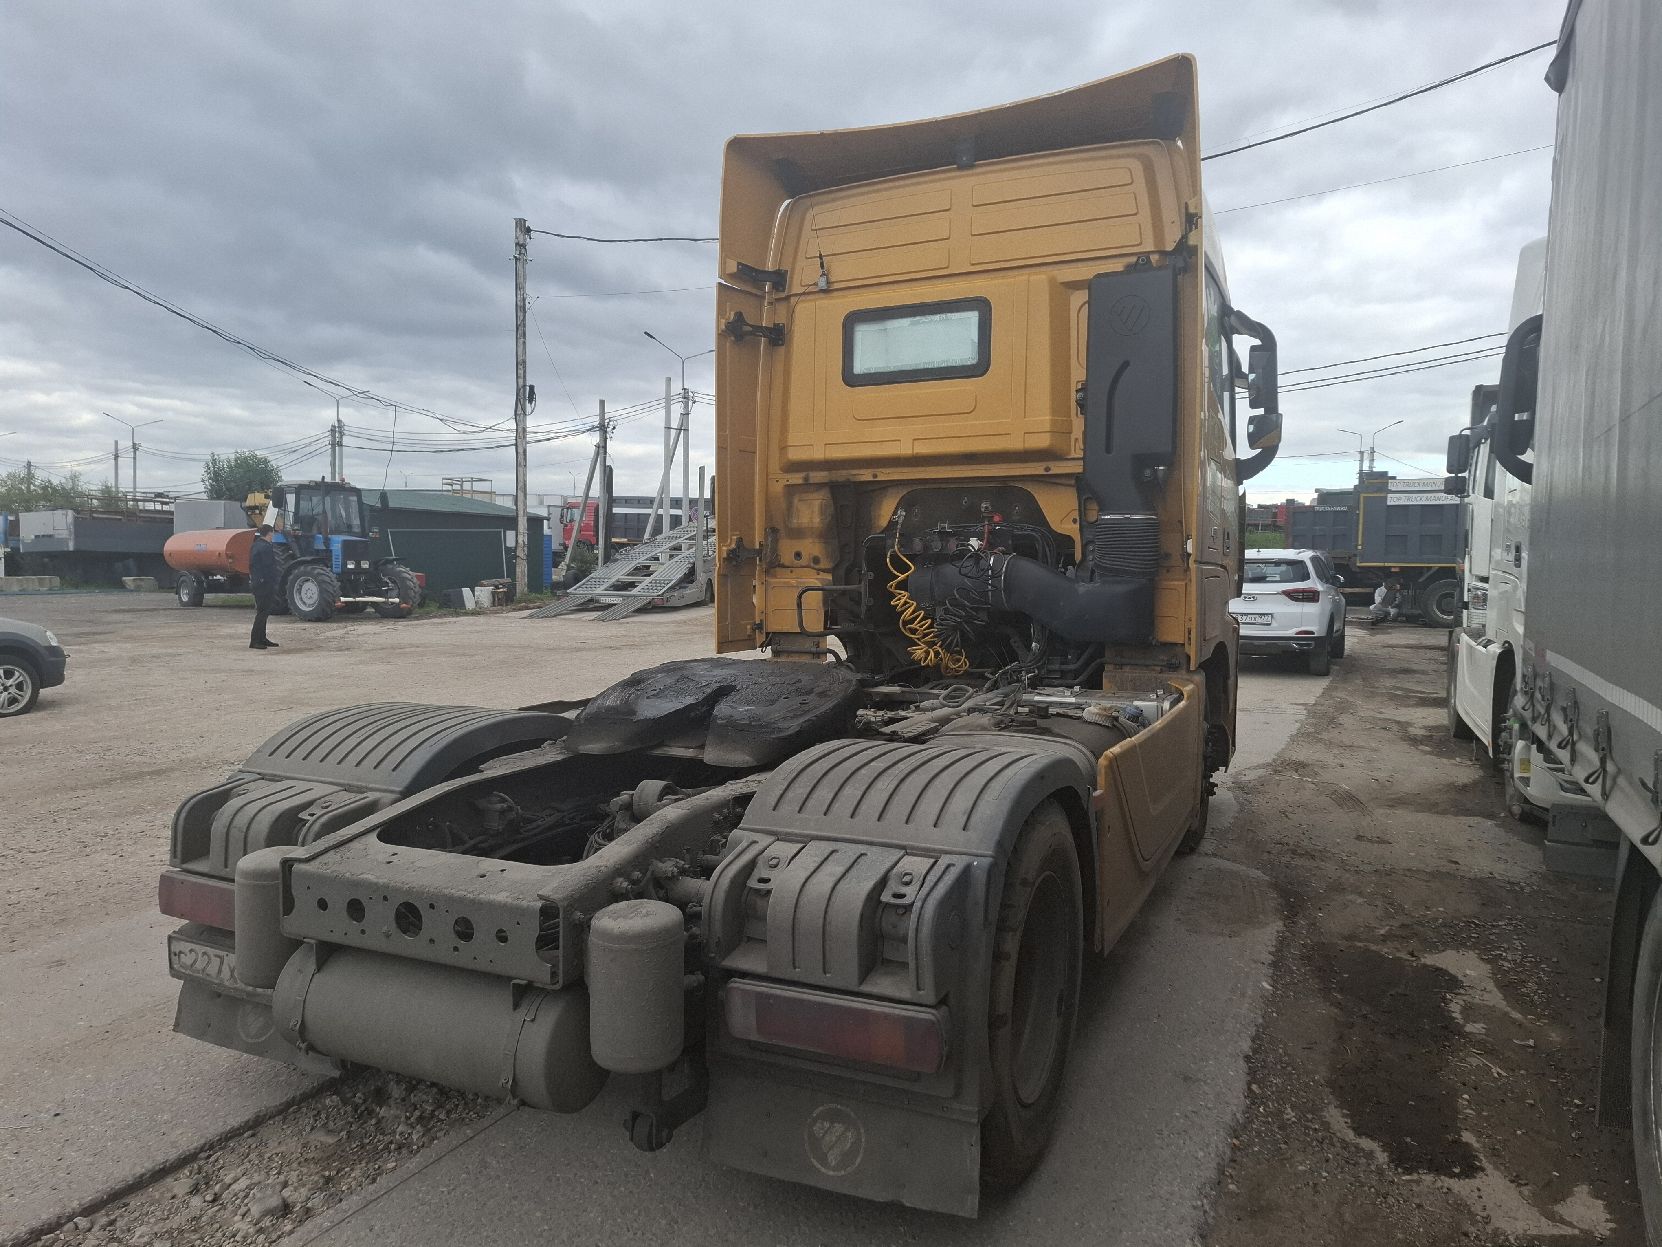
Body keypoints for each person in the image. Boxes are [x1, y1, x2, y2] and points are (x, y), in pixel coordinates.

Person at [249, 525, 281, 650]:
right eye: (273, 533)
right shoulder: (266, 547)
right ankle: (255, 640)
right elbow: (268, 567)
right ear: (269, 533)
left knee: (263, 612)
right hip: (264, 584)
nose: (273, 535)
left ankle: (262, 638)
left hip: (258, 583)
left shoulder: (256, 545)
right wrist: (273, 581)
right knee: (262, 612)